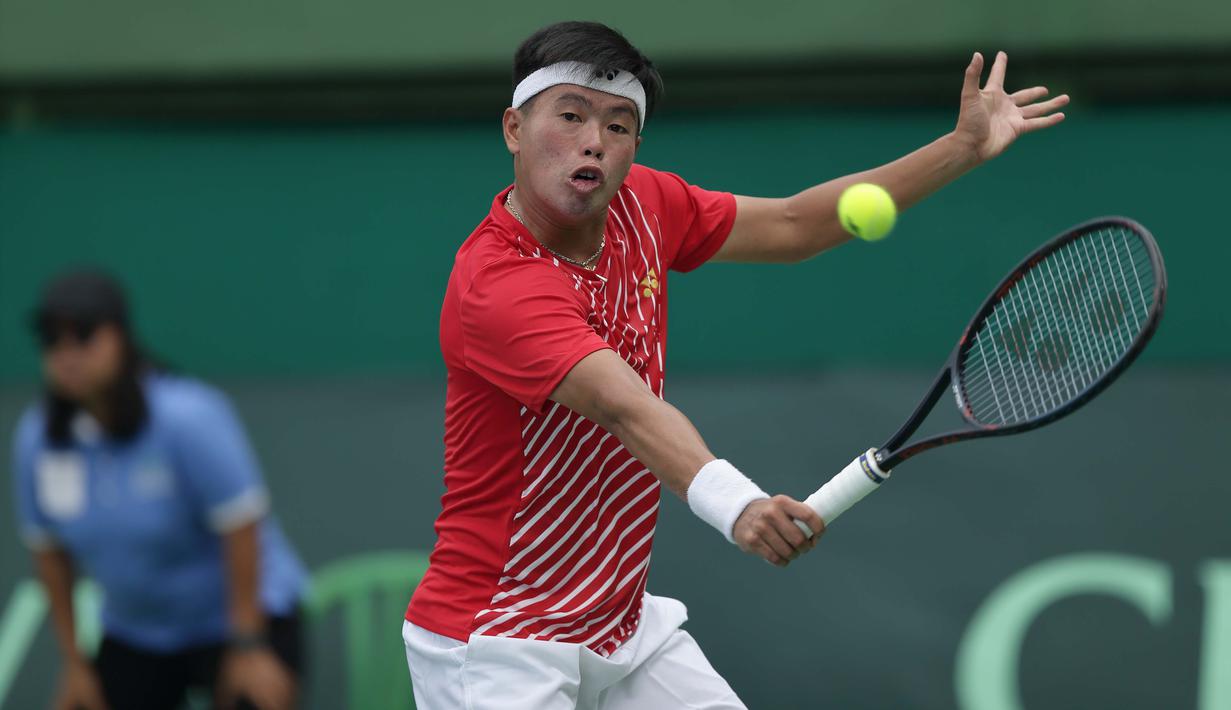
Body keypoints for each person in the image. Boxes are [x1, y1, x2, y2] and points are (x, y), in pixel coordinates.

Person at [403, 20, 1068, 710]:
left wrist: (959, 149)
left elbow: (791, 226)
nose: (593, 140)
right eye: (569, 117)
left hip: (621, 628)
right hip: (498, 640)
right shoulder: (499, 283)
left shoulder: (645, 205)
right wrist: (738, 504)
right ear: (514, 128)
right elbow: (625, 408)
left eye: (618, 125)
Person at [10, 270, 309, 710]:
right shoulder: (38, 440)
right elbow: (49, 553)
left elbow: (241, 525)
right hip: (137, 633)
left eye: (84, 334)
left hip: (240, 620)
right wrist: (75, 663)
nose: (67, 353)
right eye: (52, 340)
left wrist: (248, 644)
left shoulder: (188, 417)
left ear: (120, 338)